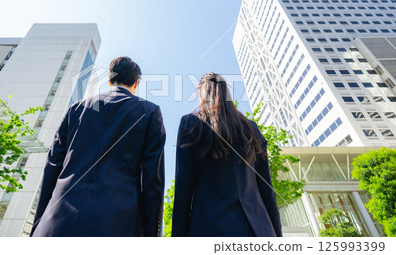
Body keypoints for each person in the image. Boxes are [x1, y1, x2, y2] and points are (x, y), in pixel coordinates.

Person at [31, 56, 166, 237]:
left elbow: (52, 168)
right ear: (137, 82)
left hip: (57, 221)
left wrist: (39, 224)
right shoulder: (149, 112)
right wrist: (152, 235)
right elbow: (152, 182)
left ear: (110, 80)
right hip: (117, 223)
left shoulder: (75, 109)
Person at [171, 72, 282, 237]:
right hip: (258, 229)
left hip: (209, 228)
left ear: (200, 93)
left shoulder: (191, 124)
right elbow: (267, 190)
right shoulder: (251, 129)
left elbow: (183, 189)